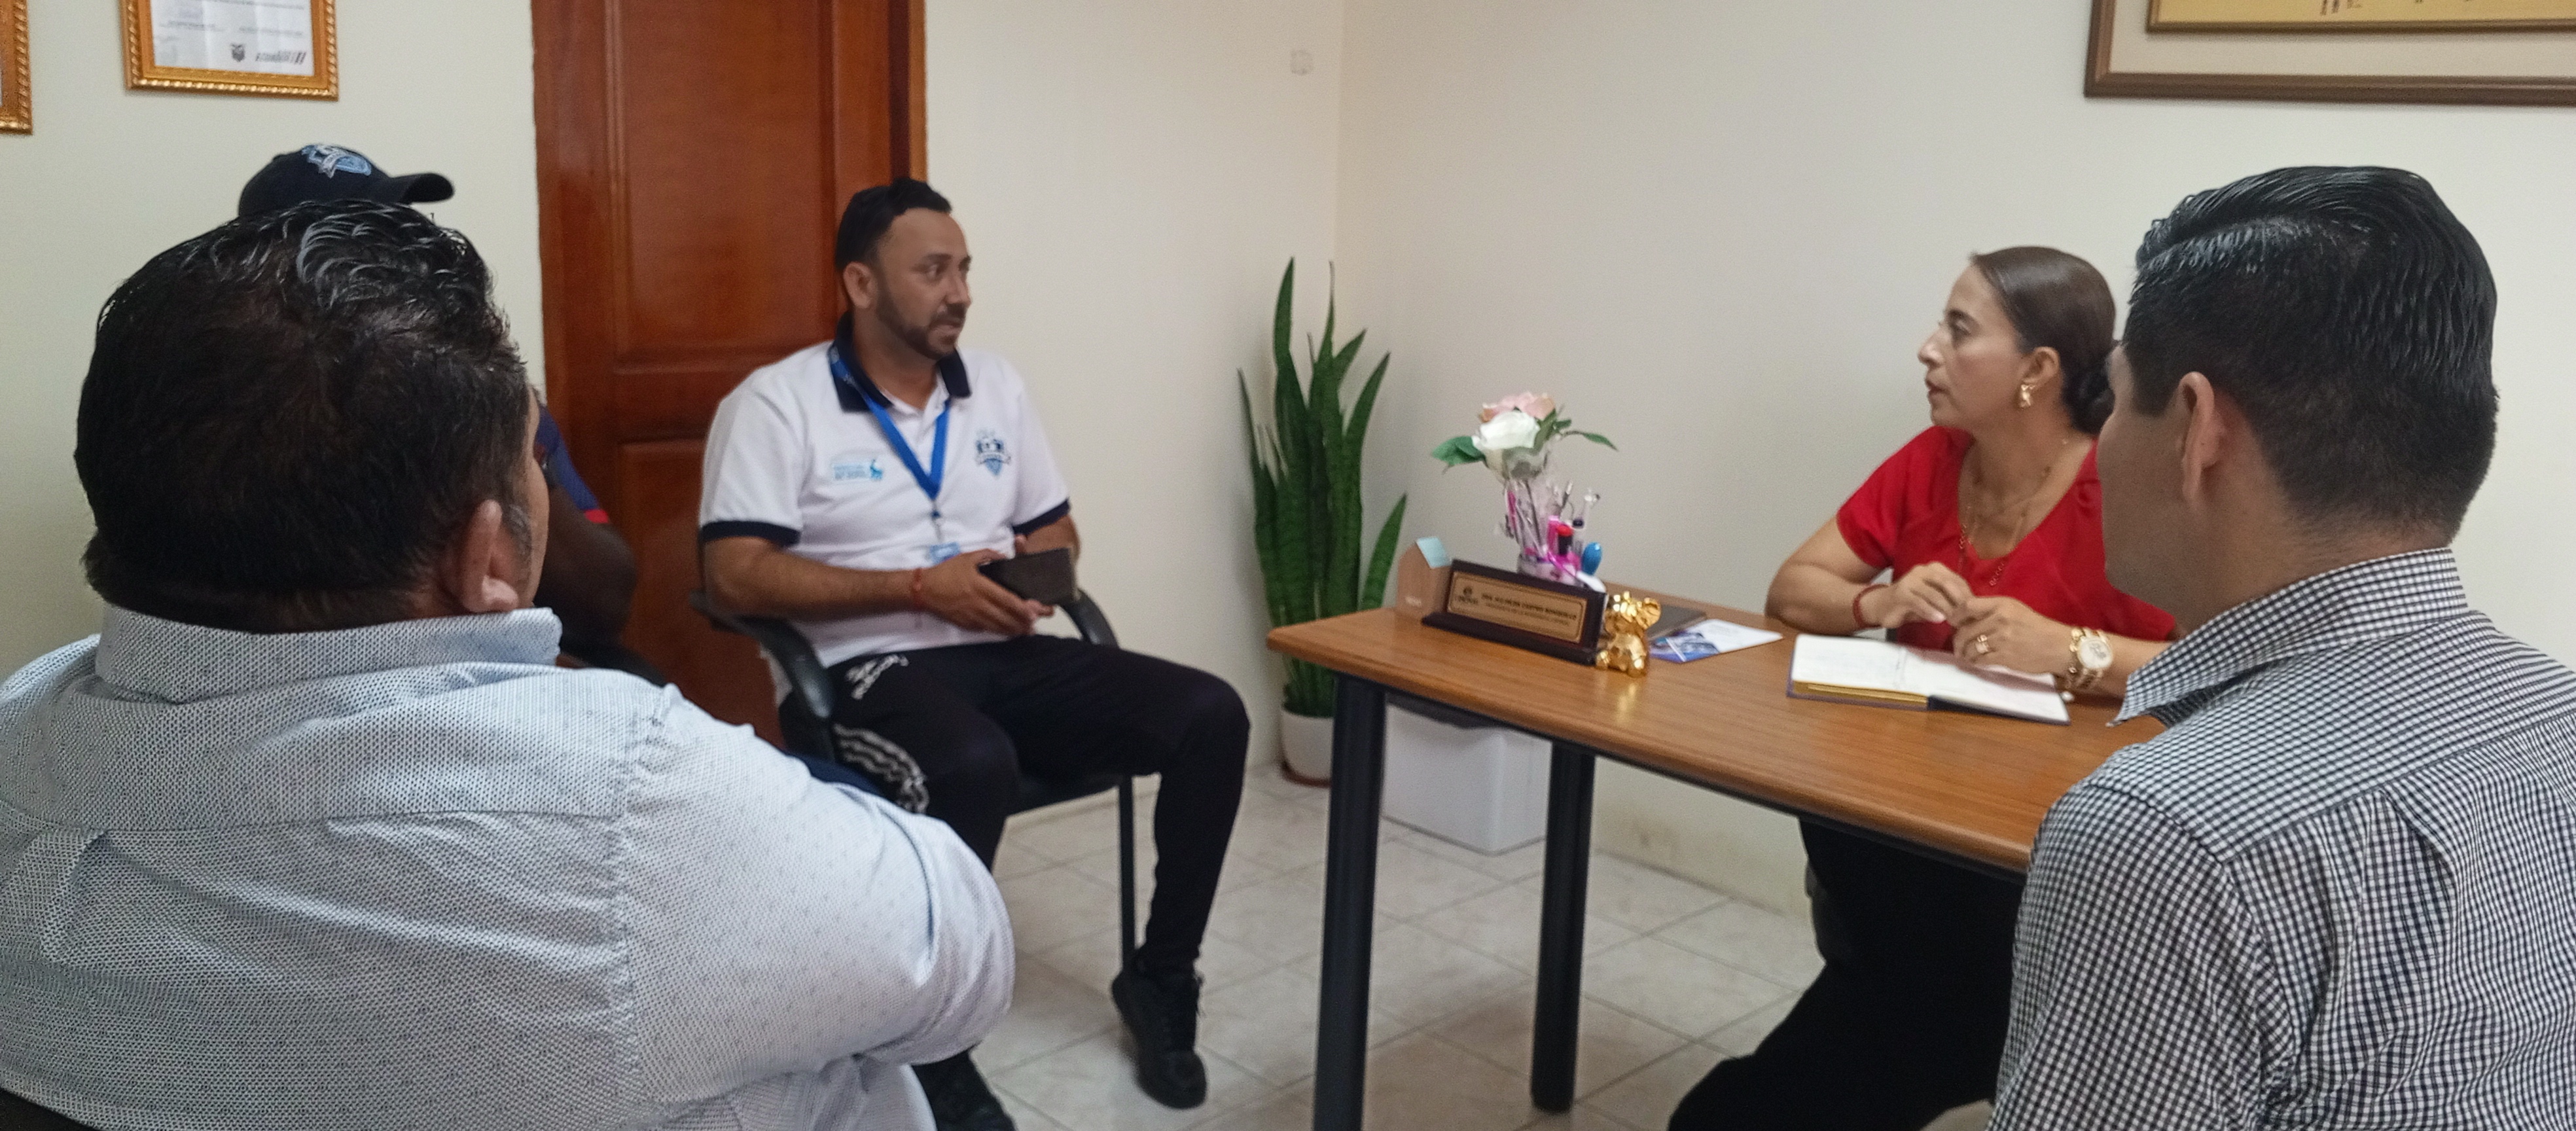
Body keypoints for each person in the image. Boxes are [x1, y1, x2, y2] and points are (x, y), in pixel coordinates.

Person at [0, 200, 1011, 1130]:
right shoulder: (641, 806)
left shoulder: (18, 727)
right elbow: (962, 960)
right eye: (533, 456)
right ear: (486, 556)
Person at [1994, 168, 2576, 1125]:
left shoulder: (2167, 837)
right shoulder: (2559, 712)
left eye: (2118, 400)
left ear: (2197, 428)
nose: (2101, 443)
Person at [700, 179, 1248, 1128]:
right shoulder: (777, 404)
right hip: (859, 667)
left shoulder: (995, 386)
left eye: (963, 270)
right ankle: (932, 1052)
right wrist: (919, 587)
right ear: (862, 285)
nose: (958, 292)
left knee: (1211, 714)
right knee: (970, 762)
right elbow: (734, 575)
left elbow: (1058, 526)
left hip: (1002, 647)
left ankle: (1162, 979)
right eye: (932, 271)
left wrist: (1031, 572)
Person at [1672, 247, 2175, 1130]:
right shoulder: (1932, 460)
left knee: (1792, 1082)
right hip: (1898, 826)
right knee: (1890, 987)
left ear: (2038, 370)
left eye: (1958, 329)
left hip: (2032, 853)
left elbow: (2215, 666)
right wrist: (1878, 600)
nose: (1927, 349)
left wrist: (2070, 650)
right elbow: (1793, 589)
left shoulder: (2122, 485)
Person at [240, 143, 653, 679]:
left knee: (633, 677)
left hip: (501, 660)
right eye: (356, 244)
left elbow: (603, 606)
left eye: (401, 230)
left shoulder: (475, 384)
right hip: (324, 680)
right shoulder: (235, 412)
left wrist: (512, 444)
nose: (400, 260)